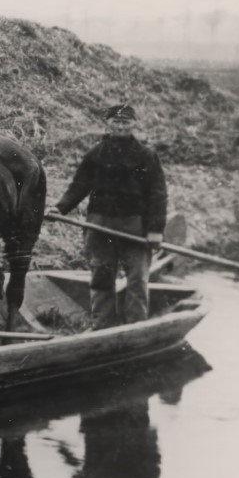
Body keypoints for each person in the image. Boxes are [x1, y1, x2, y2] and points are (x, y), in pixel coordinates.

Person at [56, 102, 168, 328]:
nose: (120, 126)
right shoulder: (95, 154)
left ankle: (136, 327)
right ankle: (101, 325)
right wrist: (60, 208)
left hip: (135, 228)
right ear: (107, 124)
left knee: (137, 280)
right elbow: (79, 185)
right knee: (101, 277)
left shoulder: (146, 156)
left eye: (125, 122)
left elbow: (158, 195)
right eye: (116, 122)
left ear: (134, 124)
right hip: (100, 226)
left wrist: (156, 230)